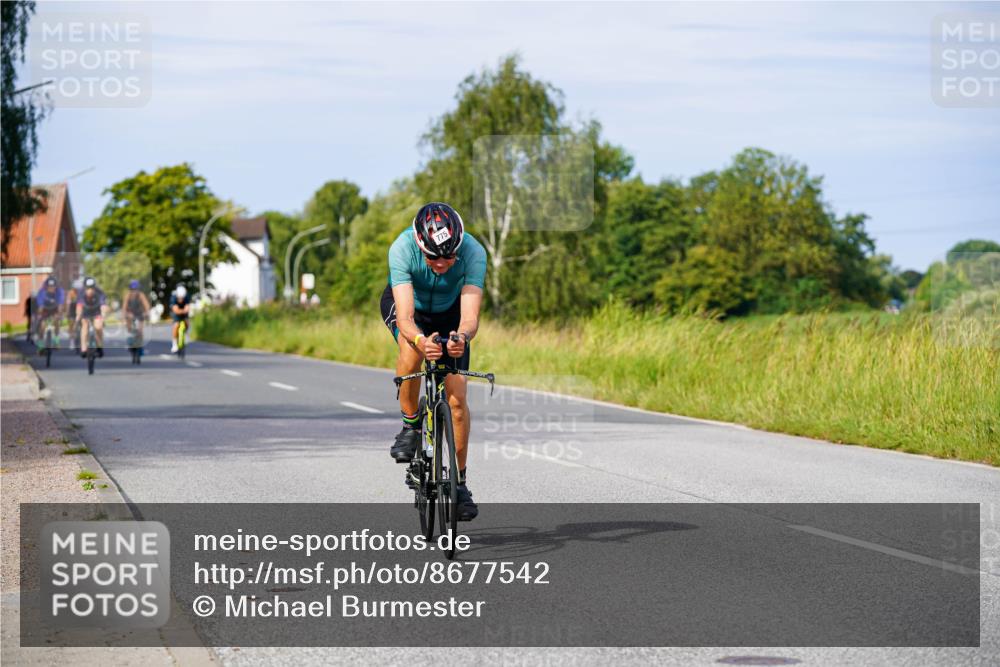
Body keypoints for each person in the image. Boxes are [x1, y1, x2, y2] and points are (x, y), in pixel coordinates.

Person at [380, 202, 487, 521]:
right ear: (419, 246)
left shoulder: (474, 252)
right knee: (412, 351)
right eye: (433, 257)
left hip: (451, 311)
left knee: (456, 397)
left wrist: (461, 339)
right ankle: (410, 426)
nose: (442, 264)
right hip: (412, 310)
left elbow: (469, 317)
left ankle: (460, 484)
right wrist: (419, 340)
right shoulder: (401, 249)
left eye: (449, 257)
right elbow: (407, 316)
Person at [76, 277, 108, 357]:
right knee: (85, 325)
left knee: (98, 327)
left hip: (96, 311)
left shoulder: (100, 293)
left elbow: (103, 306)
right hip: (86, 311)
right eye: (87, 288)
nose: (90, 290)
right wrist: (78, 316)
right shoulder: (81, 293)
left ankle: (99, 346)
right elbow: (79, 306)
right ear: (84, 288)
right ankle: (83, 348)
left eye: (92, 288)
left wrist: (103, 315)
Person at [34, 277, 66, 350]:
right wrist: (40, 310)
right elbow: (40, 303)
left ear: (56, 286)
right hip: (45, 309)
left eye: (53, 287)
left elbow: (61, 303)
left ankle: (56, 341)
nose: (51, 288)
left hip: (54, 309)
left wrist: (60, 312)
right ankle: (40, 345)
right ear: (46, 287)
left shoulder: (60, 291)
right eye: (49, 287)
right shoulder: (42, 291)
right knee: (42, 326)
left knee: (56, 322)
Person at [123, 280, 151, 349]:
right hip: (130, 313)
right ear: (130, 290)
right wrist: (125, 315)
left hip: (139, 313)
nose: (134, 291)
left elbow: (146, 305)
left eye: (136, 290)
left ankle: (140, 344)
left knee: (140, 330)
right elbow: (124, 307)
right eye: (132, 290)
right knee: (129, 328)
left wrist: (147, 313)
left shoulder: (141, 295)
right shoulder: (127, 296)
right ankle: (130, 339)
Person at [170, 285, 191, 353]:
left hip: (184, 312)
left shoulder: (186, 297)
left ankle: (186, 333)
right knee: (176, 325)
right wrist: (181, 311)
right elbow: (175, 309)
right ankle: (174, 343)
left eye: (182, 298)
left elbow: (187, 307)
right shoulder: (173, 298)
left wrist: (185, 310)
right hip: (177, 313)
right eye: (180, 298)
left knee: (187, 322)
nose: (181, 300)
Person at [66, 279, 81, 351]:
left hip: (80, 309)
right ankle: (72, 341)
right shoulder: (71, 293)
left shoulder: (82, 292)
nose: (77, 290)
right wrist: (67, 312)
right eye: (76, 289)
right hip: (72, 310)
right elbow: (68, 303)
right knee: (71, 325)